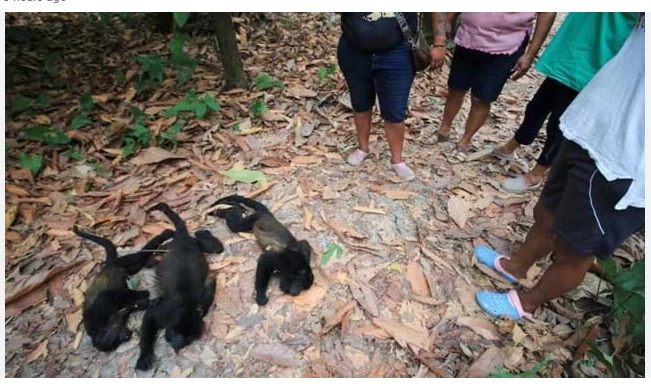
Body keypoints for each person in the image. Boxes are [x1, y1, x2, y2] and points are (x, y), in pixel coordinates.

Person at [473, 14, 644, 320]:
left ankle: (525, 303)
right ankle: (515, 266)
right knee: (546, 213)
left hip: (625, 163)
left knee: (574, 249)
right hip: (588, 127)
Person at [491, 13, 639, 193]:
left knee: (559, 124)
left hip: (597, 60)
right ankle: (511, 146)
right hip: (571, 50)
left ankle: (536, 174)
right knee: (536, 108)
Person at [338, 12, 447, 181]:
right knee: (360, 102)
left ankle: (397, 160)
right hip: (354, 50)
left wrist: (439, 43)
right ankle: (363, 148)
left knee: (395, 110)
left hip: (398, 51)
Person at [435, 12, 556, 152]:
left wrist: (530, 54)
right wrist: (446, 22)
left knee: (482, 97)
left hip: (507, 47)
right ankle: (444, 129)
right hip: (468, 38)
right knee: (456, 88)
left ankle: (464, 141)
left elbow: (547, 13)